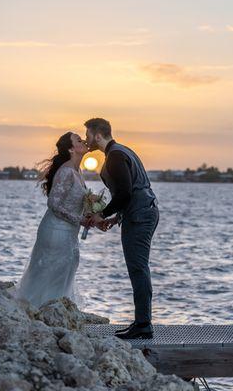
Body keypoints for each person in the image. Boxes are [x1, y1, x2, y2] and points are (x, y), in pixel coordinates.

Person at [84, 118, 159, 339]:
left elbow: (125, 193)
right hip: (141, 212)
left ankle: (144, 324)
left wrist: (101, 214)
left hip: (140, 216)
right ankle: (142, 322)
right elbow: (131, 191)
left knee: (138, 268)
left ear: (98, 135)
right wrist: (117, 217)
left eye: (87, 135)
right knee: (139, 267)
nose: (86, 139)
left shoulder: (115, 156)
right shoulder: (122, 151)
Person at [15, 132, 90, 307]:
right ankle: (39, 311)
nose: (84, 141)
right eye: (79, 140)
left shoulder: (77, 171)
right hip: (56, 231)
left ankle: (55, 313)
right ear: (71, 149)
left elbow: (74, 202)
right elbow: (53, 204)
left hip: (69, 233)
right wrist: (79, 220)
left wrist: (91, 213)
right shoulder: (66, 171)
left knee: (65, 271)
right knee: (51, 274)